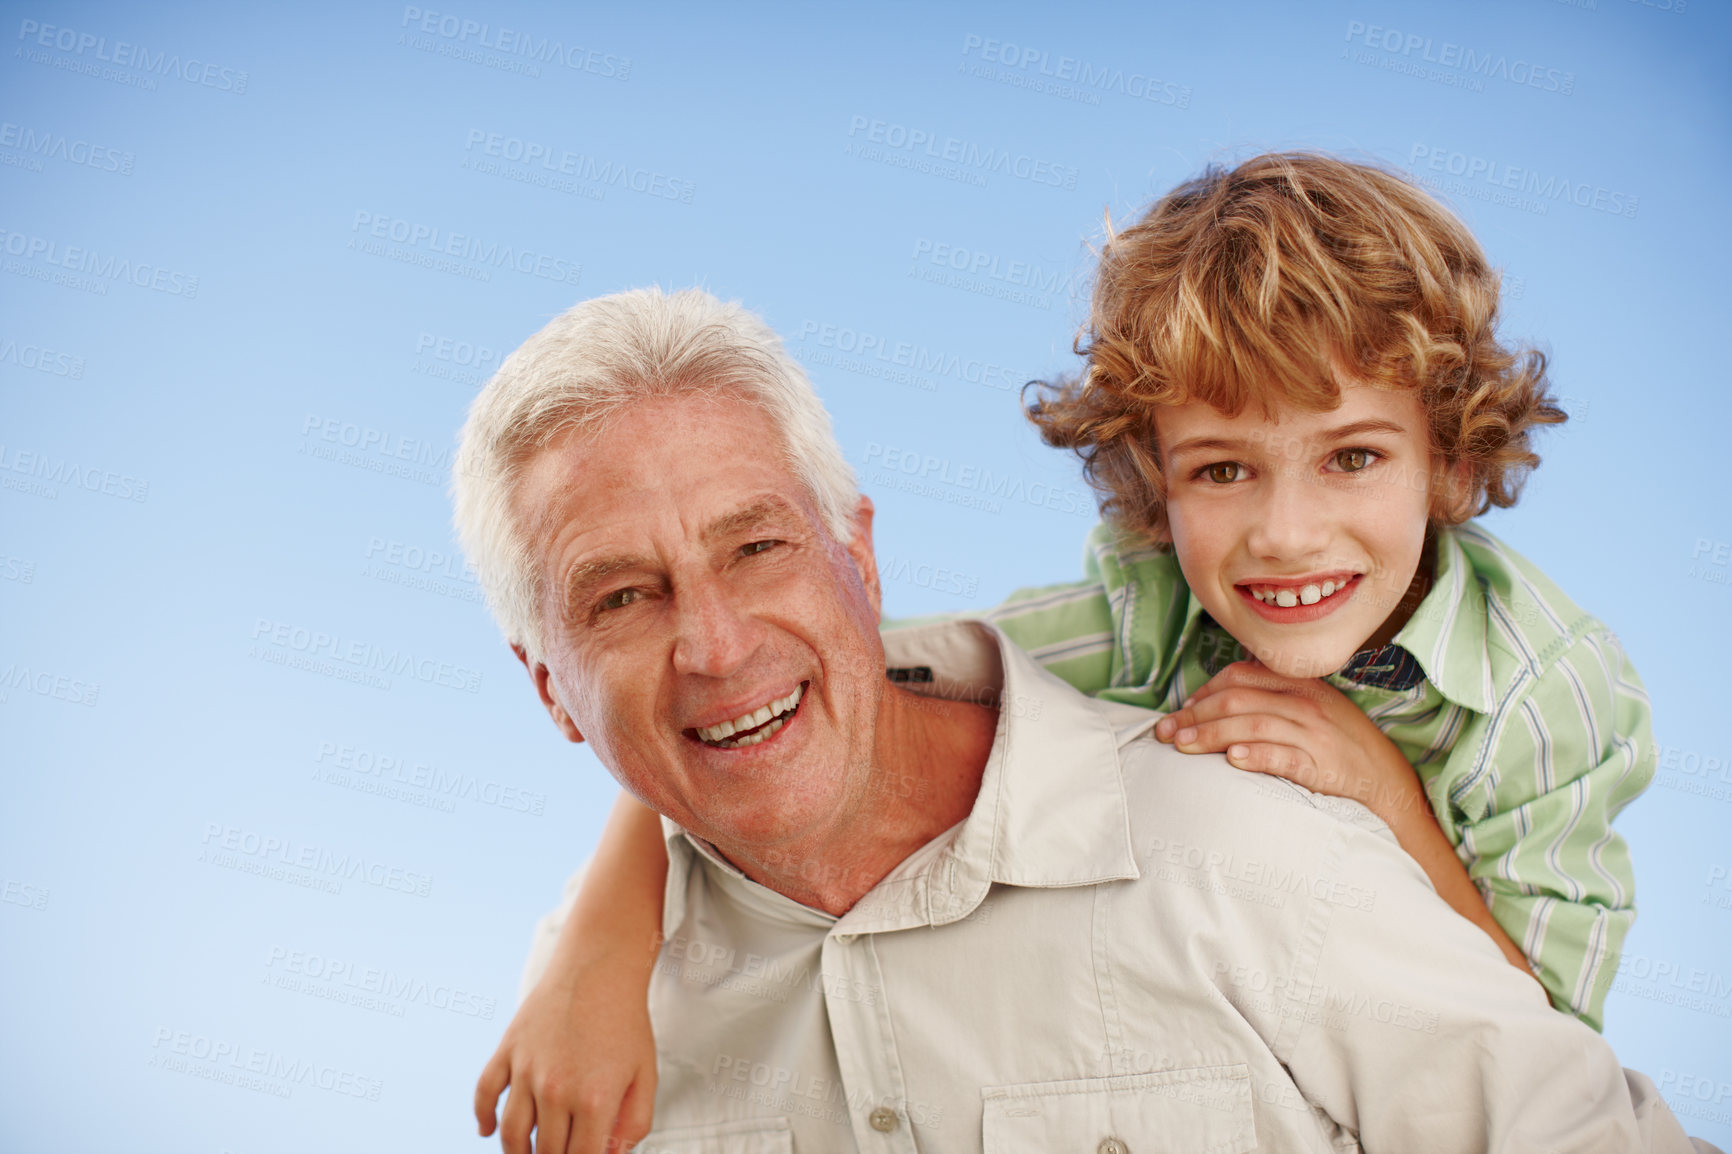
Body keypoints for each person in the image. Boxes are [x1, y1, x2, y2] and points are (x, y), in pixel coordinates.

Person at [479, 154, 1656, 1144]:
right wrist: (595, 943)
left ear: (1450, 460)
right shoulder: (1124, 617)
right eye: (1221, 468)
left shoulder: (1545, 694)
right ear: (1152, 485)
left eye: (1352, 455)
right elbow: (811, 681)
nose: (1285, 531)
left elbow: (1544, 1045)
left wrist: (1389, 806)